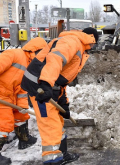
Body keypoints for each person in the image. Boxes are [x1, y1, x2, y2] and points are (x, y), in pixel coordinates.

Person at [21, 28, 99, 165]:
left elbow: (61, 80)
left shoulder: (78, 46)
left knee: (58, 121)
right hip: (39, 86)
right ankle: (52, 160)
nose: (93, 46)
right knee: (50, 125)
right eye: (94, 43)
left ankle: (62, 154)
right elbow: (55, 59)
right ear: (91, 38)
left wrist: (64, 102)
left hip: (48, 85)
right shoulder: (72, 41)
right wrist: (45, 83)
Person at [0, 37, 47, 165]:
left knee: (22, 116)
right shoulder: (14, 54)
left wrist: (22, 106)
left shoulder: (31, 65)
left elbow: (21, 88)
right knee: (5, 125)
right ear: (35, 50)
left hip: (12, 96)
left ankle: (24, 140)